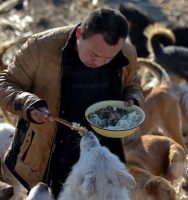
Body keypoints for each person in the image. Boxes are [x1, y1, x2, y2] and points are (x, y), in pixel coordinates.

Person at [0, 7, 144, 197]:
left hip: (101, 151)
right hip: (49, 150)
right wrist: (29, 104)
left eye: (108, 58)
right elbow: (5, 84)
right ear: (79, 34)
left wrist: (132, 99)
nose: (99, 62)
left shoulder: (126, 53)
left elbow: (132, 84)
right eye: (93, 54)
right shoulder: (40, 47)